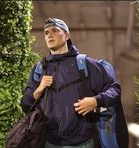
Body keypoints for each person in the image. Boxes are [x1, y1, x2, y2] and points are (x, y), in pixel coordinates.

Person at [21, 18, 121, 148]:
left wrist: (95, 101)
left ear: (67, 35)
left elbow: (114, 90)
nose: (49, 35)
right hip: (48, 143)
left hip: (82, 143)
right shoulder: (40, 68)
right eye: (46, 32)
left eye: (55, 30)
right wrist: (39, 89)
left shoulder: (85, 64)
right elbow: (25, 104)